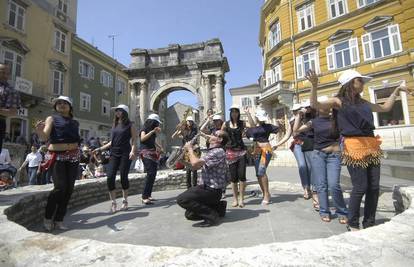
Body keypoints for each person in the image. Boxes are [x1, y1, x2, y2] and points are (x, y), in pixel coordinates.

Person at [306, 69, 413, 231]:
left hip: (371, 145)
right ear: (350, 83)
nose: (362, 83)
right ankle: (353, 223)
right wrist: (314, 85)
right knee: (361, 186)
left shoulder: (364, 103)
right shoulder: (339, 101)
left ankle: (369, 223)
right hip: (353, 145)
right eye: (360, 80)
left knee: (374, 187)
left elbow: (385, 108)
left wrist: (396, 91)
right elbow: (315, 105)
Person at [293, 102, 348, 224]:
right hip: (319, 155)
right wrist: (298, 116)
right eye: (323, 105)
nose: (326, 107)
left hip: (334, 155)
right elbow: (296, 131)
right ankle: (324, 211)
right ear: (318, 108)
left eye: (327, 105)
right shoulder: (314, 121)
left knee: (334, 185)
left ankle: (342, 211)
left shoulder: (336, 119)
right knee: (321, 185)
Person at [35, 96, 81, 231]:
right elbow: (44, 137)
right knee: (60, 187)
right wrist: (39, 130)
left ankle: (59, 219)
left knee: (69, 189)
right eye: (58, 103)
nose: (61, 105)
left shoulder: (75, 122)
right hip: (58, 157)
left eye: (64, 103)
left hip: (73, 157)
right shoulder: (52, 118)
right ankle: (48, 218)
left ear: (70, 106)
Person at [176, 130, 229, 227]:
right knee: (190, 215)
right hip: (207, 188)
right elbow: (195, 167)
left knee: (182, 199)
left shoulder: (218, 151)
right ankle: (218, 208)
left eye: (214, 134)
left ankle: (212, 216)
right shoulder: (212, 151)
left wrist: (190, 149)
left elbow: (195, 163)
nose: (210, 135)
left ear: (220, 139)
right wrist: (181, 161)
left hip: (211, 190)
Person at [94, 104, 137, 213]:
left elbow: (134, 141)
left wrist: (132, 151)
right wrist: (100, 149)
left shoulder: (130, 125)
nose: (117, 112)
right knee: (110, 177)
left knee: (123, 177)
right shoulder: (114, 125)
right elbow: (111, 142)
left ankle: (125, 200)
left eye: (119, 110)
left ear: (124, 112)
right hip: (114, 153)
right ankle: (113, 202)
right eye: (116, 111)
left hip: (125, 153)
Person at [245, 108, 280, 205]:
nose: (261, 120)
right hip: (257, 150)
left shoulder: (268, 127)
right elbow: (251, 127)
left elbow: (279, 129)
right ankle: (266, 193)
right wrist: (248, 113)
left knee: (261, 171)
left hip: (266, 150)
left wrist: (277, 143)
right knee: (258, 173)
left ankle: (266, 194)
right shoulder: (253, 128)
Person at [222, 105, 247, 208]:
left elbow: (253, 125)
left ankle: (241, 198)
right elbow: (221, 133)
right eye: (232, 112)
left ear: (238, 113)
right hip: (230, 152)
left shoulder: (242, 123)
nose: (234, 114)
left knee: (241, 175)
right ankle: (235, 199)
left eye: (236, 112)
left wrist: (248, 113)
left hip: (241, 151)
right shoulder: (226, 123)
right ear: (230, 113)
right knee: (233, 177)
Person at [139, 113, 163, 204]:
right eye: (157, 123)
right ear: (153, 122)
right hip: (145, 152)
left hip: (152, 152)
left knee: (153, 174)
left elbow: (153, 140)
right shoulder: (144, 129)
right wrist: (152, 132)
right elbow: (142, 139)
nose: (158, 125)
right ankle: (144, 196)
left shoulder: (152, 130)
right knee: (150, 173)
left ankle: (148, 195)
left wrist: (159, 146)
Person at [172, 116, 199, 188]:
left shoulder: (194, 129)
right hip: (186, 151)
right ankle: (188, 186)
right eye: (188, 121)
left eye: (191, 121)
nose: (190, 123)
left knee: (194, 168)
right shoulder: (184, 130)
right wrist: (179, 130)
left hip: (193, 150)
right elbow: (174, 136)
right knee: (188, 169)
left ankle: (195, 185)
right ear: (186, 122)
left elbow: (192, 138)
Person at [0, 63, 21, 151]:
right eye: (2, 72)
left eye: (7, 73)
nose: (5, 75)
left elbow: (13, 112)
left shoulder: (11, 90)